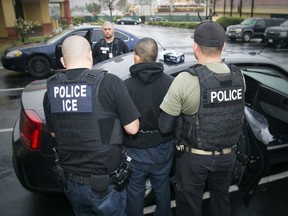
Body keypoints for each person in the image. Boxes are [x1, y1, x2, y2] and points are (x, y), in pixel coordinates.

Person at [43, 35, 140, 216]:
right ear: (90, 56)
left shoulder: (51, 90)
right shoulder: (109, 82)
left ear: (63, 61)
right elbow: (133, 128)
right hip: (105, 183)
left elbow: (55, 134)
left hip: (71, 181)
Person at [158, 21, 245, 216]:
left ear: (195, 46)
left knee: (189, 207)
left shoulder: (185, 79)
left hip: (193, 159)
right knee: (221, 202)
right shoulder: (240, 78)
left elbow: (164, 126)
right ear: (223, 46)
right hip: (228, 156)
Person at [124, 37, 174, 216]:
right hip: (163, 146)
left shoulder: (125, 86)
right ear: (155, 56)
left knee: (135, 193)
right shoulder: (170, 83)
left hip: (134, 149)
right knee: (162, 189)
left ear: (136, 57)